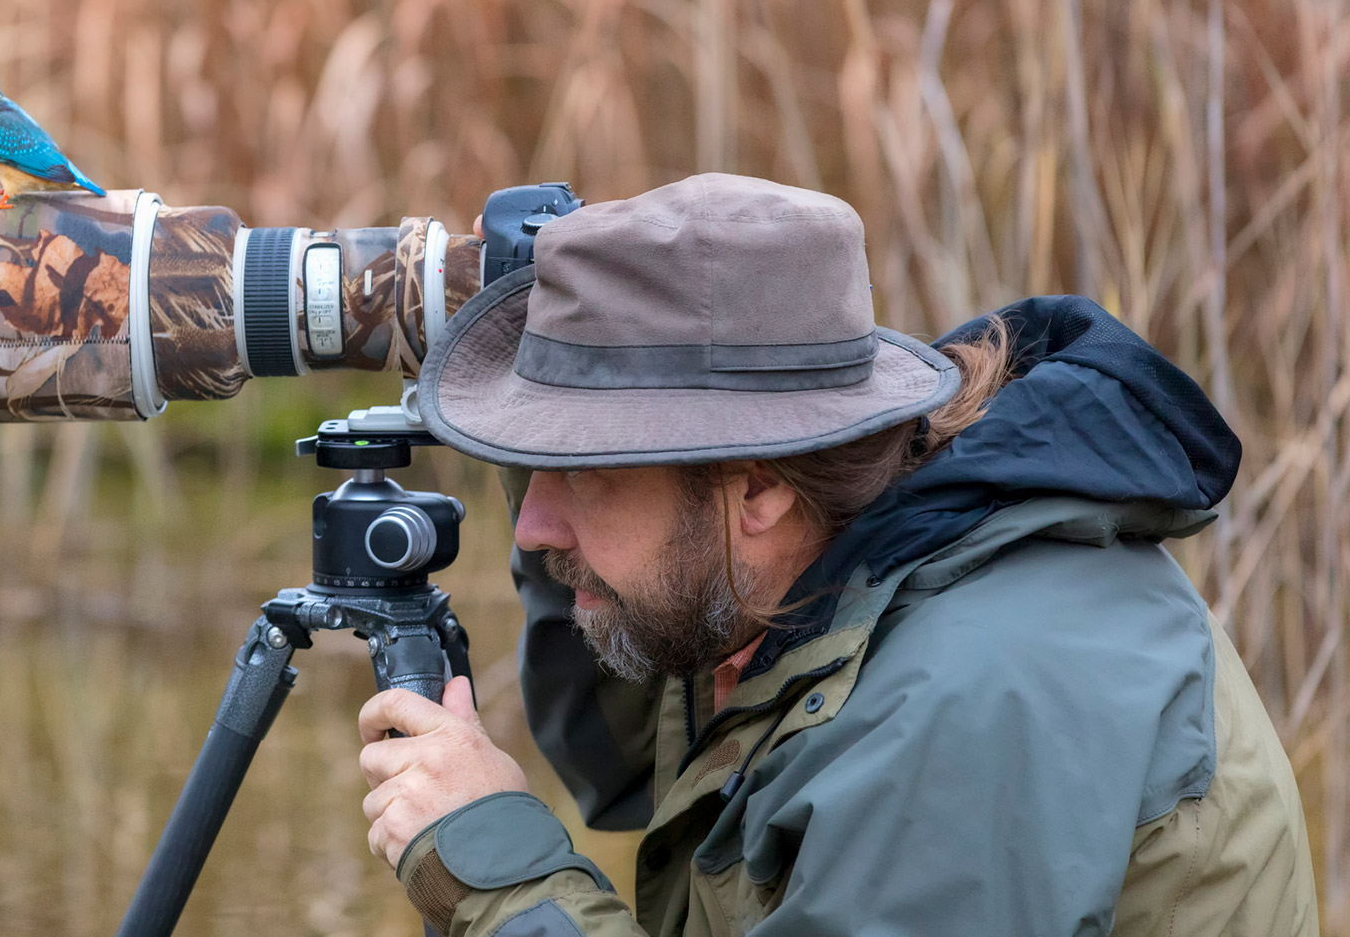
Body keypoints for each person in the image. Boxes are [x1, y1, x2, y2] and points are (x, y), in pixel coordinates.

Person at [355, 174, 1318, 936]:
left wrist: (495, 873)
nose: (530, 528)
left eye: (589, 475)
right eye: (536, 471)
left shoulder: (970, 701)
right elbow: (623, 766)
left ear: (762, 485)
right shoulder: (795, 581)